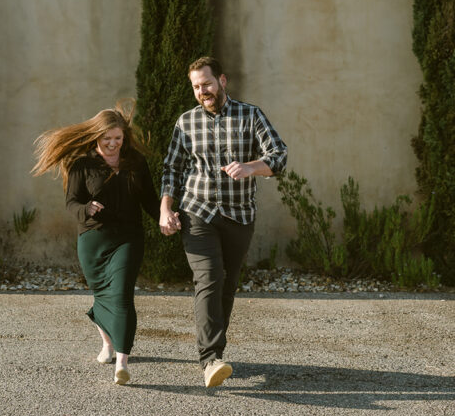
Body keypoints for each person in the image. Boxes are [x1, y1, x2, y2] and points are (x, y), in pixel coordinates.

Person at [159, 57, 288, 388]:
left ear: (222, 81)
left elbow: (278, 156)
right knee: (209, 277)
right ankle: (211, 359)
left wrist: (250, 167)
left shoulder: (251, 115)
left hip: (239, 214)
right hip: (197, 210)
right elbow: (172, 169)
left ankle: (215, 351)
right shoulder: (185, 123)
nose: (203, 91)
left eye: (207, 84)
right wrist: (166, 208)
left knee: (227, 284)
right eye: (196, 87)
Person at [32, 103, 159, 385]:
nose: (113, 144)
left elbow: (150, 198)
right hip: (93, 239)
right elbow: (71, 202)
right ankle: (107, 345)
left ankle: (122, 363)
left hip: (128, 237)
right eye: (107, 139)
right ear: (96, 137)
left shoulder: (136, 162)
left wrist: (165, 216)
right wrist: (86, 209)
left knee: (122, 294)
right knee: (102, 294)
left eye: (118, 138)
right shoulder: (82, 164)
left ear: (124, 137)